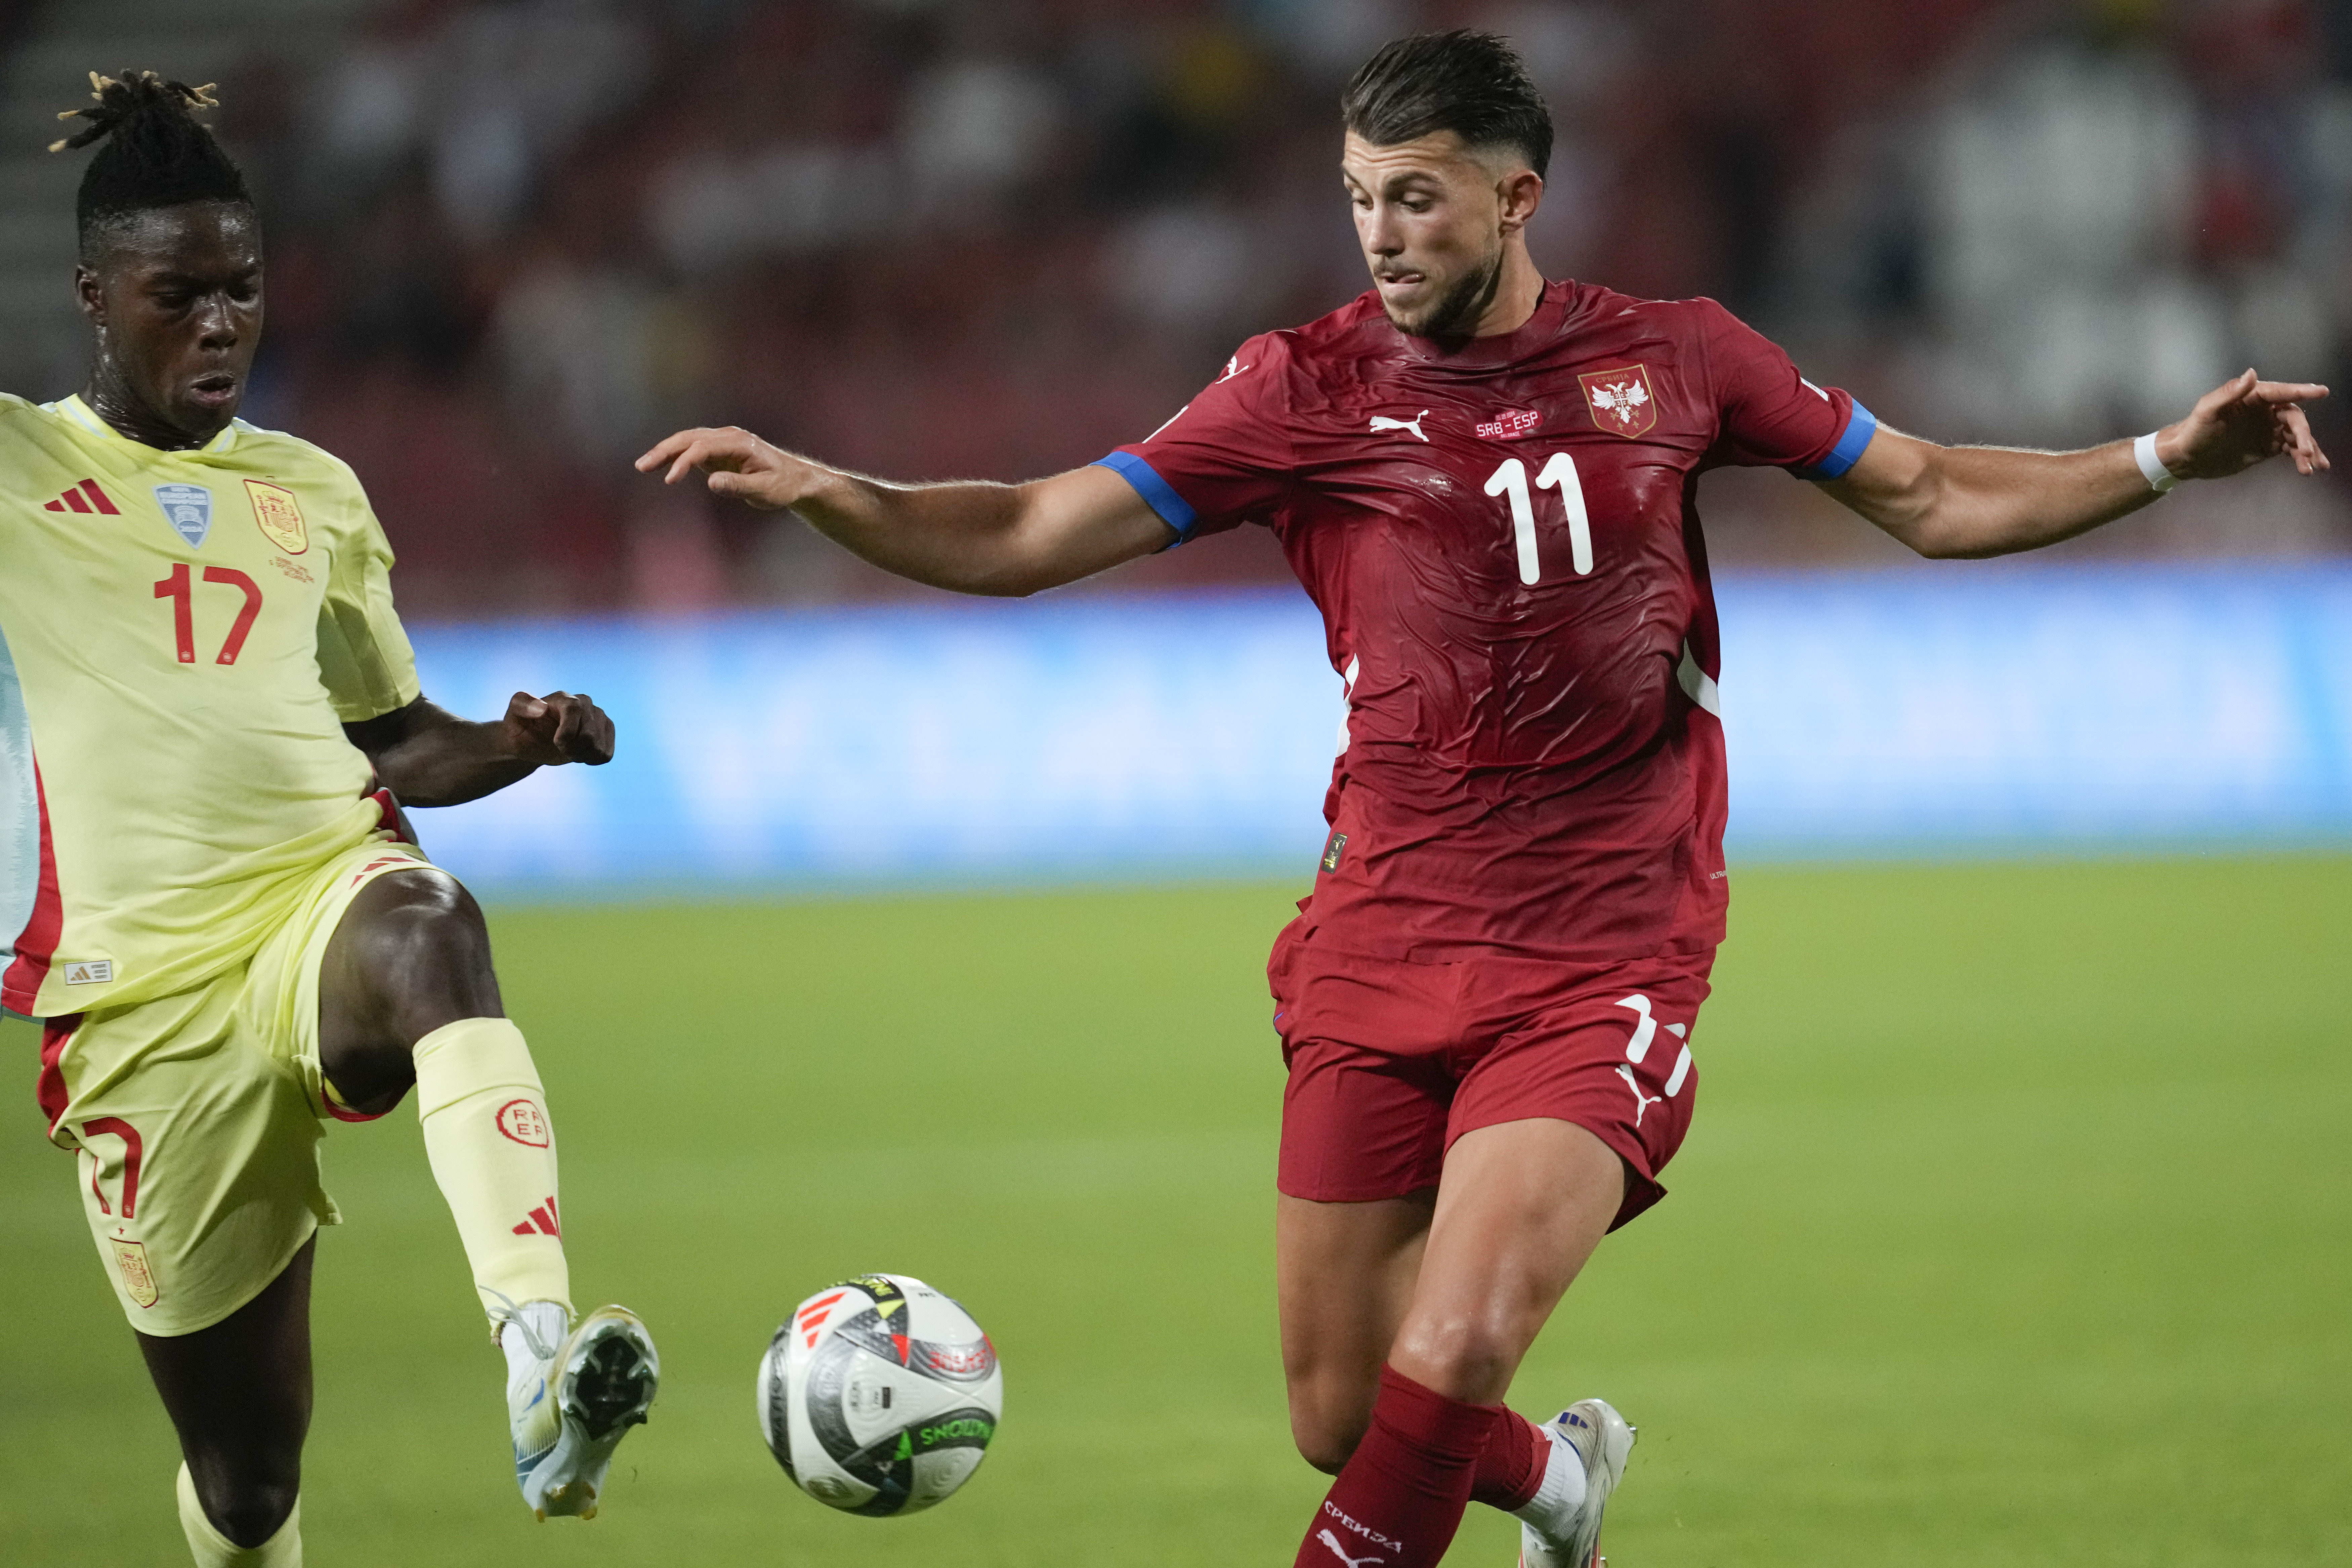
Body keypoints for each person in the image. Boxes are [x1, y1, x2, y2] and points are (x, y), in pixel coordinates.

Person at [639, 29, 2330, 1568]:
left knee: (1446, 1360)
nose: (1380, 235)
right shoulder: (1298, 392)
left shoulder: (1680, 362)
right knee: (1344, 1410)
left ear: (1517, 199)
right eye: (1361, 200)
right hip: (1384, 932)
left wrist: (2167, 457)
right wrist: (829, 493)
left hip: (1603, 944)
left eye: (1419, 200)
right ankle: (1561, 1486)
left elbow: (1941, 496)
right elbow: (1022, 533)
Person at [8, 73, 660, 1567]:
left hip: (316, 898)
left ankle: (537, 1364)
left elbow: (392, 740)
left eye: (243, 290)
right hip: (140, 1002)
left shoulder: (312, 492)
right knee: (248, 1478)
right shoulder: (18, 471)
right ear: (96, 299)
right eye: (180, 296)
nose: (224, 325)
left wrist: (515, 742)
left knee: (432, 927)